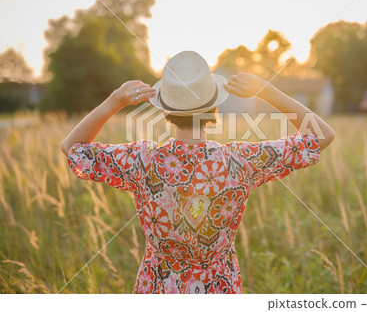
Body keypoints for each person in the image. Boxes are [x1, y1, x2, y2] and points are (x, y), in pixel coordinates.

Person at [60, 50, 335, 293]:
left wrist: (114, 101)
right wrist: (266, 90)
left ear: (165, 110)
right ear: (214, 107)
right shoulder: (239, 161)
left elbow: (72, 147)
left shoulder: (142, 160)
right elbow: (322, 134)